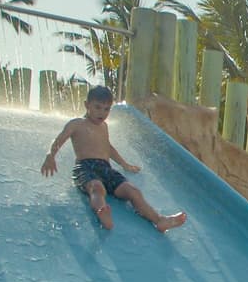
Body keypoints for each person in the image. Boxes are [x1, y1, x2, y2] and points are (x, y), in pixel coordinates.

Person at [41, 86, 187, 232]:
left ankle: (159, 220)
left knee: (132, 191)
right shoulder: (77, 124)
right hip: (85, 168)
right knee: (97, 188)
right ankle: (102, 211)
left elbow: (108, 148)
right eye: (98, 107)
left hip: (106, 168)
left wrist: (125, 164)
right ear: (87, 105)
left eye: (106, 109)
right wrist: (50, 156)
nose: (102, 113)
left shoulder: (104, 126)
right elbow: (59, 139)